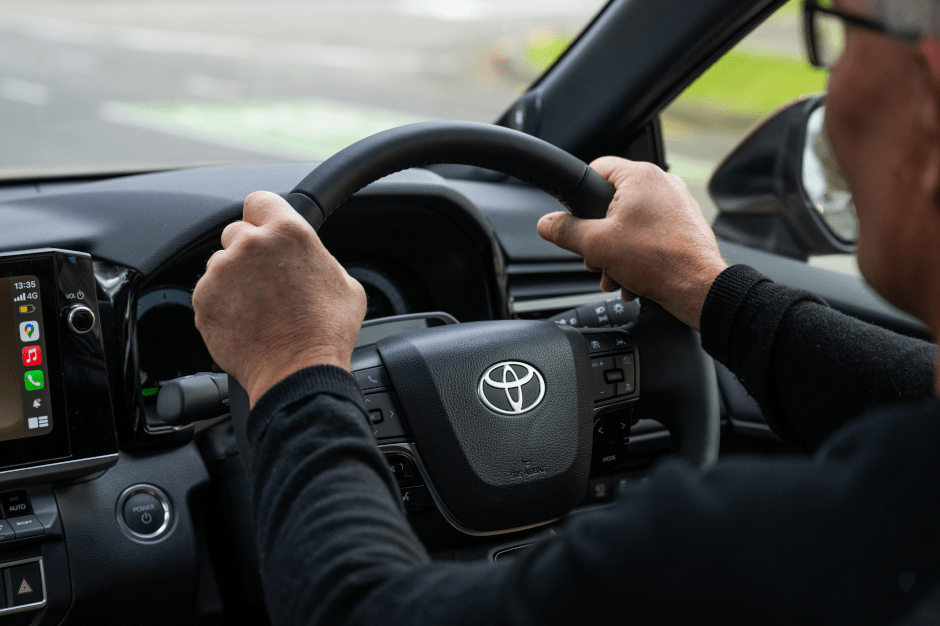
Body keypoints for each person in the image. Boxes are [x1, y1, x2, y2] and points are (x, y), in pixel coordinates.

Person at [191, 0, 940, 623]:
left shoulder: (754, 554)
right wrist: (704, 286)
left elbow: (357, 609)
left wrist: (295, 366)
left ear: (932, 92)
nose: (835, 78)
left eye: (837, 35)